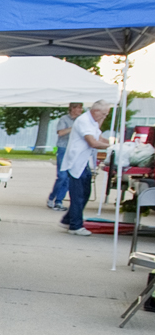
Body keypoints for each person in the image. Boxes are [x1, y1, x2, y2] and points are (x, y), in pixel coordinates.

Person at [59, 100, 112, 236]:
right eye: (104, 114)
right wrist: (110, 146)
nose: (105, 117)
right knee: (78, 195)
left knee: (85, 193)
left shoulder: (92, 121)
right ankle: (75, 226)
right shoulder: (84, 121)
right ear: (95, 111)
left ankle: (68, 219)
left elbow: (98, 135)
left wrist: (114, 143)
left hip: (85, 162)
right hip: (77, 162)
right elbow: (93, 142)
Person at [47, 102, 83, 209]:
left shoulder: (81, 120)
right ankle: (52, 197)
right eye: (79, 108)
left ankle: (59, 201)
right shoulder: (64, 119)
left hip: (75, 150)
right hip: (63, 148)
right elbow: (61, 132)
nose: (80, 110)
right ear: (72, 108)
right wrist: (73, 128)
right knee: (62, 176)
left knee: (68, 177)